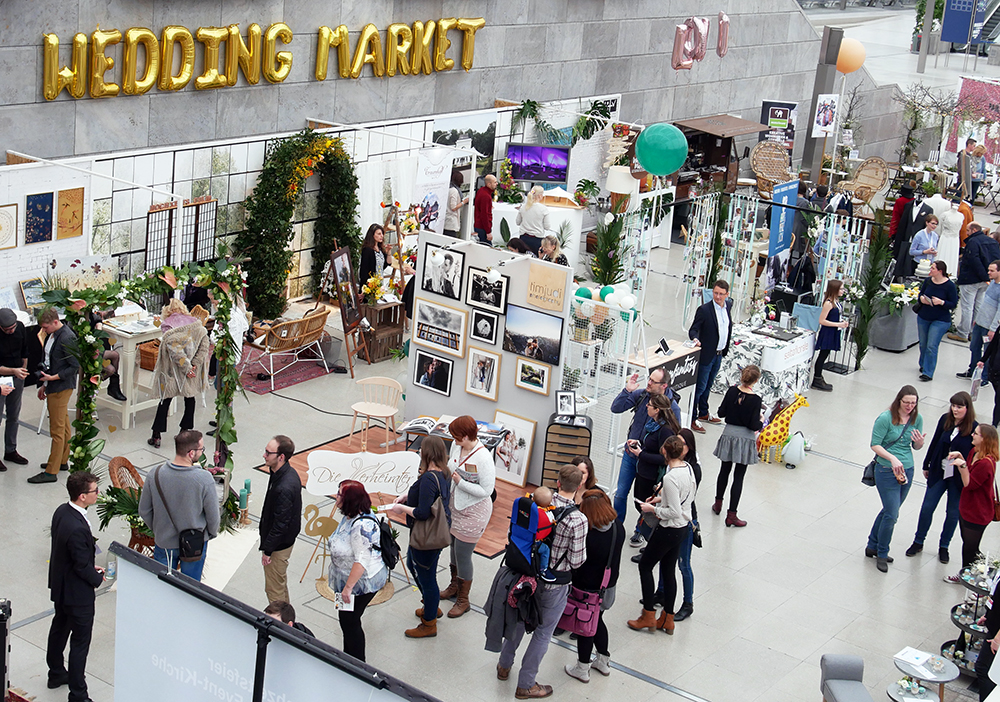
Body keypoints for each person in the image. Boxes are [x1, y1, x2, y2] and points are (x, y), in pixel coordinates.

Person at [496, 464, 588, 700]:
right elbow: (577, 561)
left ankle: (504, 665)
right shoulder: (578, 520)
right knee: (543, 632)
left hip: (525, 576)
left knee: (518, 620)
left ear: (558, 482)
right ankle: (526, 684)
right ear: (578, 487)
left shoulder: (535, 503)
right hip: (555, 584)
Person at [627, 436, 697, 635]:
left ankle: (648, 614)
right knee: (668, 570)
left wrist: (653, 508)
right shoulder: (688, 469)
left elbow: (673, 511)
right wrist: (661, 498)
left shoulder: (670, 477)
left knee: (645, 565)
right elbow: (684, 498)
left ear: (665, 452)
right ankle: (668, 618)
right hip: (682, 527)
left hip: (669, 528)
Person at [44, 470, 104, 699]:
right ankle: (78, 693)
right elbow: (80, 566)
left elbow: (72, 556)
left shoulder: (62, 511)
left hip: (61, 587)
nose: (98, 494)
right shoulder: (78, 527)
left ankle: (56, 672)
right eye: (94, 491)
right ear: (82, 495)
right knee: (79, 643)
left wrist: (89, 564)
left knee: (59, 630)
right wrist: (96, 577)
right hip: (77, 595)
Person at [389, 436, 452, 638]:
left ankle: (429, 622)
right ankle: (431, 606)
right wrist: (407, 497)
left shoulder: (427, 478)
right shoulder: (444, 473)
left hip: (426, 536)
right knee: (415, 565)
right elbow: (430, 499)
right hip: (437, 533)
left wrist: (401, 508)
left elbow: (423, 512)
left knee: (427, 577)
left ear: (427, 454)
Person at [138, 430, 220, 581]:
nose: (202, 453)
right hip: (194, 543)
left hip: (164, 543)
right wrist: (209, 534)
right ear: (191, 453)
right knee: (190, 588)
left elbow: (144, 510)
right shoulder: (204, 479)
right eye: (201, 450)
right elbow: (213, 516)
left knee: (163, 587)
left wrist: (159, 529)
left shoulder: (154, 474)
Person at [906, 392, 977, 564]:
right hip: (939, 469)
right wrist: (927, 463)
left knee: (952, 513)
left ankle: (944, 546)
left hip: (958, 476)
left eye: (959, 407)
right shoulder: (945, 419)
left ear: (967, 408)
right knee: (927, 507)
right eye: (953, 405)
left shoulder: (974, 428)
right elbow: (935, 441)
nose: (955, 409)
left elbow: (974, 454)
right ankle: (918, 541)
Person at [564, 489, 625, 683]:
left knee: (585, 627)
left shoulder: (589, 535)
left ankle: (582, 668)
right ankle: (603, 660)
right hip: (608, 587)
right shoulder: (619, 528)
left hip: (587, 589)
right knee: (598, 621)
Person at [610, 367, 681, 531]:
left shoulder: (672, 408)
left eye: (653, 381)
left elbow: (673, 442)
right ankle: (617, 529)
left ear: (664, 386)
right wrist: (628, 390)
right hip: (631, 455)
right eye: (649, 379)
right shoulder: (642, 395)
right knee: (620, 493)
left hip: (650, 464)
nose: (648, 383)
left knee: (645, 499)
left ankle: (641, 530)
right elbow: (616, 408)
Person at [439, 416, 494, 619]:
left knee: (463, 554)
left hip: (474, 511)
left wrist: (461, 482)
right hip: (456, 506)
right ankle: (454, 585)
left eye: (457, 437)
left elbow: (487, 490)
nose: (454, 440)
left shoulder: (483, 458)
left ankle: (464, 599)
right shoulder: (456, 446)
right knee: (453, 547)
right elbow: (452, 466)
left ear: (467, 435)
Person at [327, 479, 388, 661]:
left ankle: (357, 662)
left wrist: (347, 589)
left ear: (350, 500)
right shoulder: (349, 515)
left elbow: (361, 560)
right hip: (345, 579)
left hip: (359, 584)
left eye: (340, 494)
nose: (336, 497)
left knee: (350, 621)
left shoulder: (362, 526)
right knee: (345, 619)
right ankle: (349, 657)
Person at [866, 386, 925, 572]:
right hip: (885, 469)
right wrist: (892, 458)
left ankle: (872, 544)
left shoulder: (917, 418)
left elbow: (915, 446)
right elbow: (875, 444)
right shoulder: (885, 418)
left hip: (906, 470)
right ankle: (882, 553)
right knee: (892, 514)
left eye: (913, 403)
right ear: (899, 400)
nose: (909, 406)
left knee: (890, 510)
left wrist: (920, 443)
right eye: (906, 402)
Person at [148, 299, 210, 449]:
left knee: (165, 400)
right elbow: (204, 345)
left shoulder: (168, 325)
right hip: (192, 371)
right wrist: (194, 365)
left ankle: (156, 435)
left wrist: (186, 367)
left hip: (173, 370)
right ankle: (185, 432)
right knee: (190, 400)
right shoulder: (196, 323)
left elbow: (176, 352)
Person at [27, 307, 79, 484]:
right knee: (63, 426)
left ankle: (51, 471)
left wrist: (53, 378)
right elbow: (50, 362)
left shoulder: (67, 337)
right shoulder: (53, 335)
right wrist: (44, 383)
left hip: (61, 387)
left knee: (56, 430)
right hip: (53, 385)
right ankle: (62, 460)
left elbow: (74, 366)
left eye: (46, 327)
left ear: (55, 322)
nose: (44, 330)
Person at [944, 424, 999, 581]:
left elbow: (969, 483)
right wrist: (961, 457)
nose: (972, 435)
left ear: (984, 439)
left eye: (976, 434)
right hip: (967, 507)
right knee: (969, 543)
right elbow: (968, 469)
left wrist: (961, 466)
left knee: (969, 547)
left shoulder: (986, 463)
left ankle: (966, 576)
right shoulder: (974, 452)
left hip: (978, 512)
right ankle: (980, 570)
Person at [712, 364, 763, 528]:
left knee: (724, 470)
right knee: (739, 476)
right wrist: (761, 420)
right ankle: (732, 515)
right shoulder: (755, 400)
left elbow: (721, 413)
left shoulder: (732, 391)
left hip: (728, 434)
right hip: (744, 438)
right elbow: (753, 425)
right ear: (755, 381)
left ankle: (718, 503)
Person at [631, 393, 682, 546]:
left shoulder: (665, 430)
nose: (646, 406)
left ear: (658, 409)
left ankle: (651, 540)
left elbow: (664, 458)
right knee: (639, 504)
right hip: (642, 471)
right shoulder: (653, 424)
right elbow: (650, 443)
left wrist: (641, 454)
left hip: (652, 475)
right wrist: (639, 442)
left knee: (648, 508)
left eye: (650, 405)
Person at [259, 435, 302, 605]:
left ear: (281, 457)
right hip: (281, 541)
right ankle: (287, 620)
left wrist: (268, 550)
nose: (264, 455)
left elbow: (280, 524)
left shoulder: (285, 486)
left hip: (278, 546)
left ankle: (280, 626)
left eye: (268, 453)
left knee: (274, 589)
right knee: (280, 585)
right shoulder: (281, 473)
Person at [689, 280, 734, 433]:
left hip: (719, 354)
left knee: (708, 386)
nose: (718, 297)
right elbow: (693, 329)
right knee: (700, 387)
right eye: (716, 293)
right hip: (706, 354)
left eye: (721, 294)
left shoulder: (727, 308)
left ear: (727, 295)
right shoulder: (704, 310)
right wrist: (695, 339)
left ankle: (703, 412)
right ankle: (692, 417)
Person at [951, 222, 1000, 343]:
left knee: (967, 306)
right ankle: (974, 331)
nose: (966, 233)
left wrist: (983, 275)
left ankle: (963, 333)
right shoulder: (992, 242)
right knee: (978, 305)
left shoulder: (973, 242)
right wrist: (988, 276)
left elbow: (974, 260)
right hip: (986, 280)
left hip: (971, 279)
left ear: (973, 230)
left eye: (968, 230)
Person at [674, 428, 702, 622]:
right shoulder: (674, 465)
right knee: (666, 560)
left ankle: (688, 602)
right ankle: (661, 591)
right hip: (674, 518)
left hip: (685, 520)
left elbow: (686, 499)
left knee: (684, 563)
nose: (677, 446)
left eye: (681, 443)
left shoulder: (692, 469)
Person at [915, 260, 958, 381]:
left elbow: (953, 303)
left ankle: (928, 372)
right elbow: (921, 294)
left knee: (931, 345)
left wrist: (942, 302)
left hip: (940, 319)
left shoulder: (950, 286)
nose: (930, 270)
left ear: (940, 271)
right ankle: (923, 364)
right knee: (923, 343)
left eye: (933, 268)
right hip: (924, 316)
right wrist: (922, 299)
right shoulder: (928, 281)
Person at [959, 259, 1000, 380]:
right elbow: (984, 303)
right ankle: (972, 370)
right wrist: (977, 318)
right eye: (988, 270)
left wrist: (993, 329)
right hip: (980, 323)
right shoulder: (992, 283)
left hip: (989, 327)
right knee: (974, 347)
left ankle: (984, 377)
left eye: (992, 270)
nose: (988, 273)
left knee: (987, 352)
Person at [0, 307, 29, 471]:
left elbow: (25, 351)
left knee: (14, 415)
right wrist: (13, 371)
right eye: (7, 329)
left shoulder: (20, 328)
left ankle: (10, 450)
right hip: (2, 377)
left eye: (13, 328)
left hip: (17, 375)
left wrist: (22, 369)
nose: (11, 331)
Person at [812, 280, 850, 392]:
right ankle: (817, 378)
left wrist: (842, 323)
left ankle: (819, 378)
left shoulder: (836, 302)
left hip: (834, 331)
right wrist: (838, 324)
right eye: (841, 289)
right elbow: (822, 320)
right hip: (828, 332)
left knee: (826, 354)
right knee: (822, 355)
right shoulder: (828, 303)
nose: (843, 291)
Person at [975, 571, 1000, 701]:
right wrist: (989, 615)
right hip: (995, 624)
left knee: (985, 670)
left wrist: (998, 637)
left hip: (997, 634)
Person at [516, 185, 551, 255]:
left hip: (523, 238)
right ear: (540, 196)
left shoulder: (523, 207)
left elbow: (517, 222)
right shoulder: (543, 209)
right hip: (537, 240)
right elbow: (547, 226)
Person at [531, 486, 556, 582]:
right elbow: (553, 522)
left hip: (524, 538)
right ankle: (543, 570)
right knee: (546, 550)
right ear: (549, 503)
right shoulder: (547, 514)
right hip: (536, 542)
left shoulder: (529, 508)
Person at [474, 174, 498, 244]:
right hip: (482, 227)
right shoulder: (486, 196)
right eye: (495, 182)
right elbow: (484, 214)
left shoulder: (481, 191)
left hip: (479, 225)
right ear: (489, 184)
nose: (496, 184)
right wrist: (488, 232)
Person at [443, 169, 468, 238]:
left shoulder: (447, 189)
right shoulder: (453, 190)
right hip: (450, 222)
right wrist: (463, 202)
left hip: (446, 221)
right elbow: (453, 207)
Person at [957, 137, 977, 202]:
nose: (974, 147)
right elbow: (961, 167)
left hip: (967, 180)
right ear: (969, 145)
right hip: (962, 180)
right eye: (974, 146)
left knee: (964, 198)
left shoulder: (969, 156)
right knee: (958, 197)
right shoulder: (963, 154)